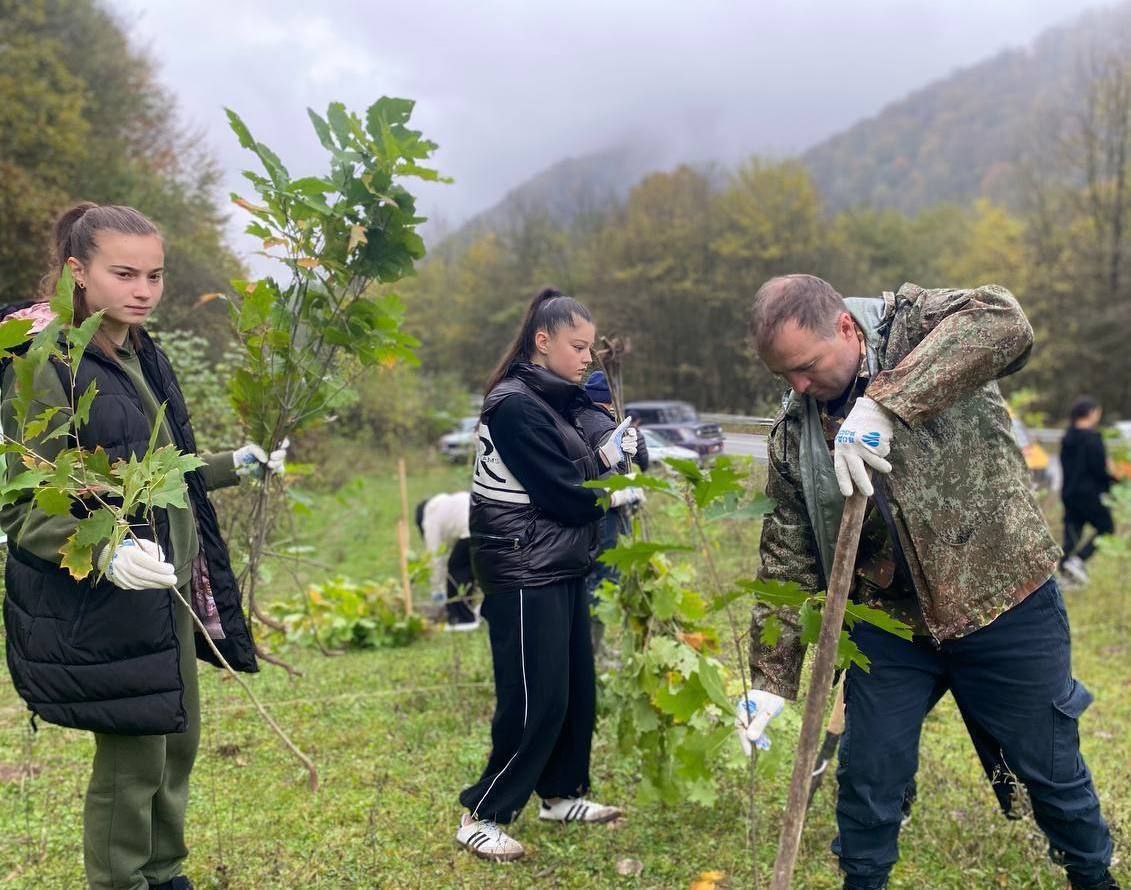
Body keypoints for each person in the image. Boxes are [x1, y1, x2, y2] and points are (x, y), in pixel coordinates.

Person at [740, 275, 1118, 890]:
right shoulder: (796, 434)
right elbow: (788, 555)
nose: (798, 387)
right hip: (891, 626)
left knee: (1048, 765)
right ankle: (863, 881)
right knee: (868, 772)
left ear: (844, 327)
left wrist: (888, 401)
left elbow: (1006, 322)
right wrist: (770, 677)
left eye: (805, 368)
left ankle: (1092, 875)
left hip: (1002, 598)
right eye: (785, 376)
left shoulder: (915, 325)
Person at [0, 203, 287, 890]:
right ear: (77, 270)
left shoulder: (136, 350)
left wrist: (228, 464)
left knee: (175, 743)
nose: (144, 290)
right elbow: (22, 504)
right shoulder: (46, 361)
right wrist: (103, 554)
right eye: (123, 273)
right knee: (131, 763)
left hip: (168, 587)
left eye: (155, 275)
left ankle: (165, 873)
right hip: (104, 590)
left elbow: (154, 467)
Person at [456, 287, 636, 862]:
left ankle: (560, 793)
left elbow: (589, 450)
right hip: (522, 563)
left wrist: (615, 450)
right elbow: (565, 492)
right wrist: (607, 480)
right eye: (577, 346)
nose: (588, 357)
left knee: (577, 689)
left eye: (590, 348)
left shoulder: (558, 398)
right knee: (537, 697)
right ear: (543, 341)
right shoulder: (513, 404)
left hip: (557, 558)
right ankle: (484, 812)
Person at [577, 369, 648, 650]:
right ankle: (594, 649)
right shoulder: (605, 427)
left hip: (583, 515)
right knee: (604, 577)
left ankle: (586, 645)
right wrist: (626, 490)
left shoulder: (576, 419)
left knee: (588, 575)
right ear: (611, 400)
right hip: (606, 516)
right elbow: (604, 477)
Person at [1059, 396, 1117, 587]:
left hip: (1069, 494)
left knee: (1072, 536)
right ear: (1091, 413)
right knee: (1106, 527)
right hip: (1089, 495)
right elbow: (1099, 470)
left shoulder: (1067, 439)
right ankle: (1079, 560)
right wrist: (1114, 481)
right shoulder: (1093, 439)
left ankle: (1065, 578)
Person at [414, 490, 479, 630]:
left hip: (471, 526)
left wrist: (438, 590)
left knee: (457, 569)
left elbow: (435, 558)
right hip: (489, 522)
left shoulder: (430, 518)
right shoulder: (444, 505)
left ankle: (462, 620)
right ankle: (482, 610)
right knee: (477, 570)